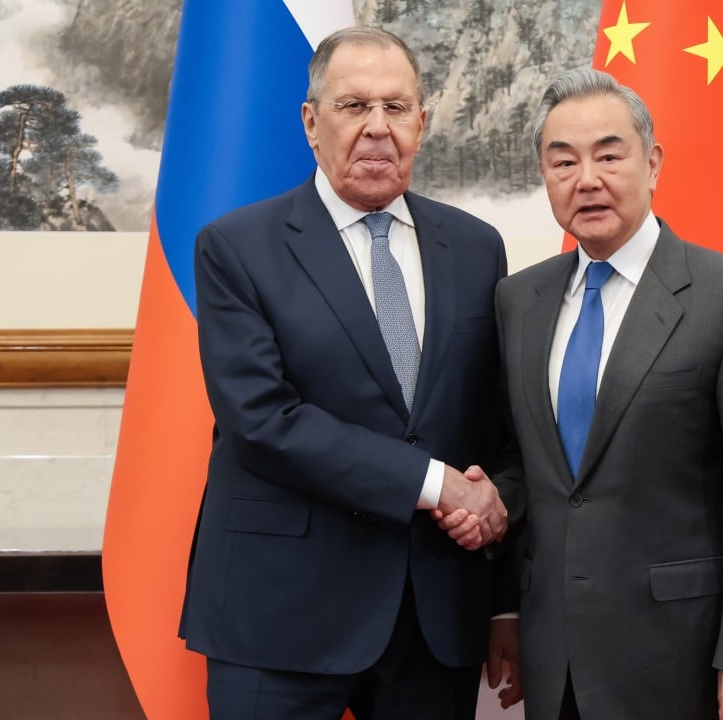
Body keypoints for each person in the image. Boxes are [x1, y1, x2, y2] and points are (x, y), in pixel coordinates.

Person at [179, 26, 513, 720]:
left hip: (433, 615)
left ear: (422, 123)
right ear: (311, 122)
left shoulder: (477, 248)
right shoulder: (236, 248)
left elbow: (497, 426)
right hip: (279, 612)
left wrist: (505, 597)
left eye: (396, 107)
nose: (377, 128)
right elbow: (262, 421)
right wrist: (434, 483)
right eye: (354, 106)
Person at [486, 67, 723, 720]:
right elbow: (527, 466)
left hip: (677, 656)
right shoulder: (518, 300)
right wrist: (505, 604)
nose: (587, 180)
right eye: (564, 161)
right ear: (545, 176)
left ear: (652, 163)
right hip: (552, 654)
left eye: (609, 156)